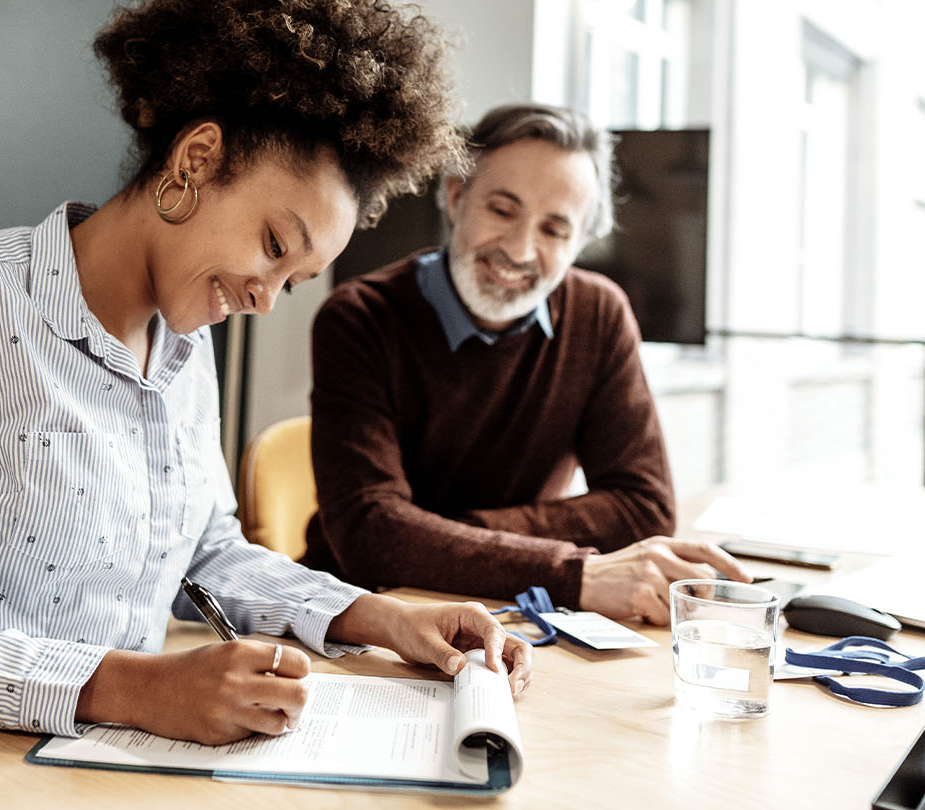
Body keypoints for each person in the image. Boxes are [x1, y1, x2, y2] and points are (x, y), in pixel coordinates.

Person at [0, 0, 531, 766]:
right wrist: (130, 687)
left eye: (292, 282)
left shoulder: (185, 348)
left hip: (101, 773)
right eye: (272, 245)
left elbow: (205, 554)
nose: (264, 299)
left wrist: (378, 617)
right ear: (196, 160)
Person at [303, 103, 749, 624]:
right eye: (502, 209)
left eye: (554, 230)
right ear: (455, 196)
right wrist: (572, 572)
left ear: (580, 243)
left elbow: (643, 511)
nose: (519, 249)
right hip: (368, 617)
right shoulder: (359, 318)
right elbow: (369, 537)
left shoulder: (599, 314)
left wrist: (432, 532)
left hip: (516, 613)